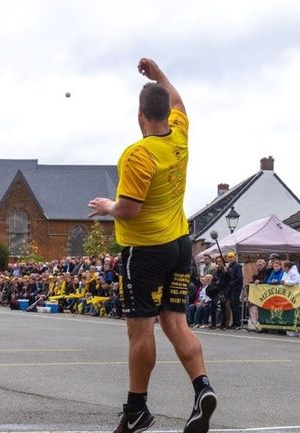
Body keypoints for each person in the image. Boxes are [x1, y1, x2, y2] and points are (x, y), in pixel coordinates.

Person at [88, 58, 216, 433]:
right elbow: (179, 102)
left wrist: (107, 206)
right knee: (175, 321)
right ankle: (202, 388)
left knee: (140, 329)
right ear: (164, 113)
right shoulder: (179, 136)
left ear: (140, 114)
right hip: (179, 244)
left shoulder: (139, 154)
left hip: (145, 251)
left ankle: (136, 410)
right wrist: (159, 74)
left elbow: (129, 210)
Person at [225, 252, 243, 329]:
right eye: (229, 257)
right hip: (231, 289)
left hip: (236, 288)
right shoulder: (229, 267)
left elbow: (239, 278)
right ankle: (234, 322)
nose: (230, 259)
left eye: (231, 257)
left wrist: (231, 283)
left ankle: (237, 323)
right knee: (232, 306)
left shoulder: (237, 266)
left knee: (235, 306)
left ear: (234, 257)